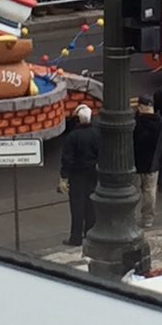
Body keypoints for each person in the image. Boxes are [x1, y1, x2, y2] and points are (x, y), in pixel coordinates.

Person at [60, 104, 100, 246]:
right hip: (93, 174)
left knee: (77, 207)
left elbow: (67, 159)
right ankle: (90, 233)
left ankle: (75, 238)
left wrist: (63, 177)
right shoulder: (97, 133)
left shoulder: (72, 137)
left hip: (77, 175)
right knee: (91, 205)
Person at [133, 94, 162, 228]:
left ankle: (130, 218)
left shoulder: (134, 123)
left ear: (140, 107)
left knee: (132, 192)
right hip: (153, 164)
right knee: (150, 192)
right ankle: (148, 218)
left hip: (135, 163)